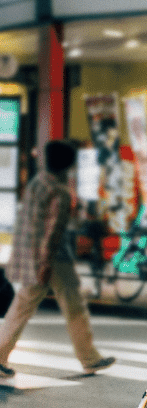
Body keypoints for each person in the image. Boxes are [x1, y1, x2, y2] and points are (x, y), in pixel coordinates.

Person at [0, 140, 116, 379]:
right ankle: (89, 358)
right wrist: (45, 263)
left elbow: (29, 221)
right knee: (74, 307)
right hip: (53, 258)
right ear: (67, 164)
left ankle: (0, 354)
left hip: (32, 254)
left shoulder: (38, 182)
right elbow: (53, 231)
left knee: (21, 307)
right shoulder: (60, 192)